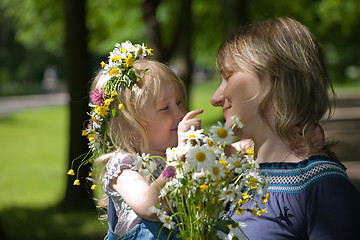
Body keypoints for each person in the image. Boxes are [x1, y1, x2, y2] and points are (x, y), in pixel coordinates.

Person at [211, 17, 360, 239]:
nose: (216, 98)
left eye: (228, 76)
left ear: (274, 78)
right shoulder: (237, 177)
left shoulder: (320, 186)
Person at [83, 41, 202, 240]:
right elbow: (149, 206)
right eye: (166, 108)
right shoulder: (124, 167)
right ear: (132, 128)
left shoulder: (175, 157)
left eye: (180, 103)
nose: (181, 113)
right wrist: (179, 160)